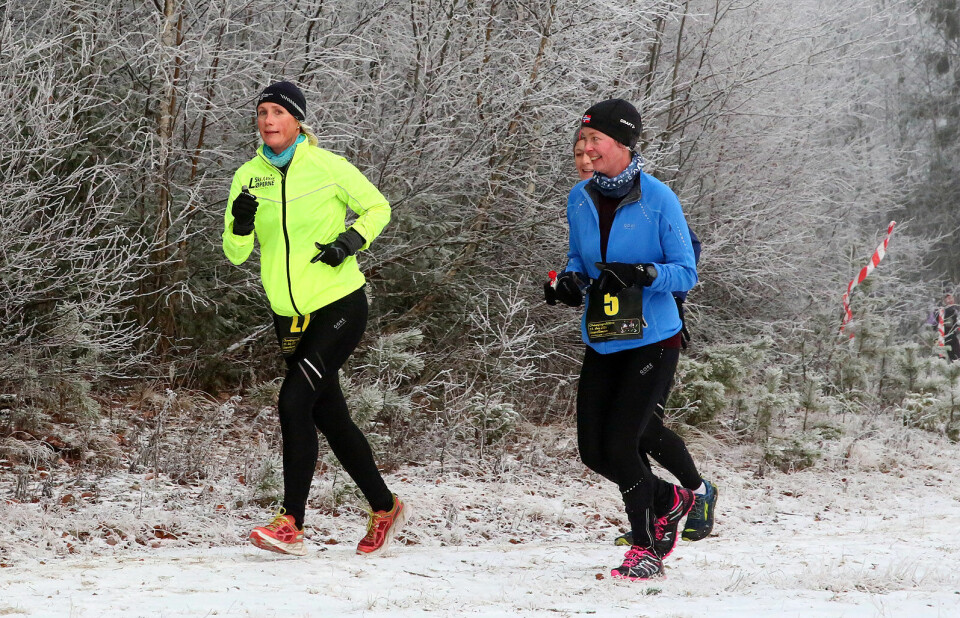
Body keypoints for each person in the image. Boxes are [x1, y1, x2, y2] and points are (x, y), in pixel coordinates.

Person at [223, 81, 407, 557]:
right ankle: (384, 506)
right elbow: (235, 253)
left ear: (298, 121)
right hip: (289, 315)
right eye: (261, 113)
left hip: (339, 302)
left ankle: (291, 523)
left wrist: (349, 241)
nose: (267, 122)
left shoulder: (329, 167)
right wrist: (241, 224)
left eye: (277, 114)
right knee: (330, 415)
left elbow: (378, 207)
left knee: (293, 401)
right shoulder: (247, 176)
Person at [545, 99, 711, 581]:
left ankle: (645, 548)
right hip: (603, 335)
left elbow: (686, 273)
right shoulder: (579, 197)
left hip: (653, 338)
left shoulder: (659, 198)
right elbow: (578, 257)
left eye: (594, 140)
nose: (585, 148)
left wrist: (641, 273)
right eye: (582, 141)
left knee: (622, 445)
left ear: (623, 144)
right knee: (593, 452)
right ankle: (672, 498)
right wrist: (569, 283)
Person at [944, 293, 959, 362]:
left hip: (955, 338)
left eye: (951, 298)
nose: (950, 300)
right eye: (948, 298)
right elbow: (931, 324)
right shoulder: (939, 311)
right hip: (943, 339)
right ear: (944, 300)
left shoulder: (957, 309)